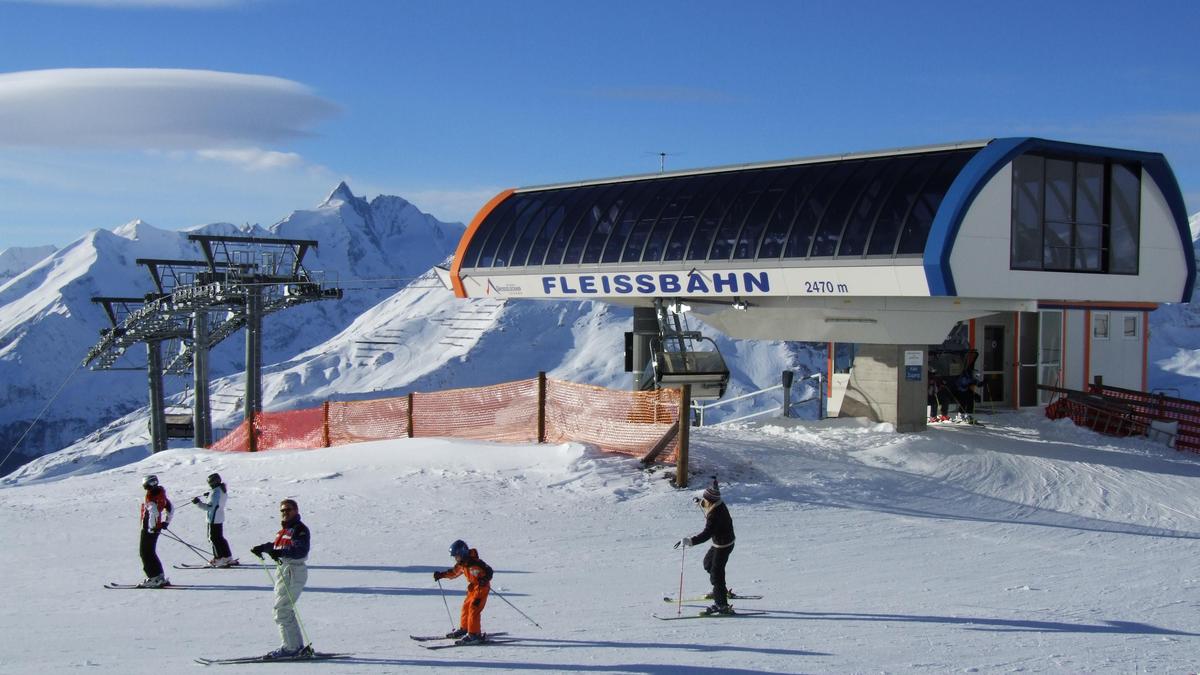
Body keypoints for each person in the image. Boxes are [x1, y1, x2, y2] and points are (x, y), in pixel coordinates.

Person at [250, 499, 312, 659]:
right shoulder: (284, 530)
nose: (285, 513)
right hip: (284, 570)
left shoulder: (300, 529)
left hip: (293, 569)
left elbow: (299, 550)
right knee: (284, 609)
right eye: (282, 510)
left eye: (288, 510)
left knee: (282, 610)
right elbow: (278, 546)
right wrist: (264, 548)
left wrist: (282, 552)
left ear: (296, 511)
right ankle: (295, 646)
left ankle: (291, 648)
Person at [674, 477, 736, 615]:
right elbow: (709, 500)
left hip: (723, 545)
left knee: (716, 574)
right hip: (719, 543)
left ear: (710, 501)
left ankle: (722, 605)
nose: (704, 502)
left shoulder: (715, 515)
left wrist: (690, 541)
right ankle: (720, 590)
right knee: (708, 564)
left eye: (705, 500)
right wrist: (700, 502)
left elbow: (707, 534)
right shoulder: (717, 503)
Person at [433, 539, 494, 644]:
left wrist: (485, 579)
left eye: (457, 556)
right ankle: (465, 628)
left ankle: (474, 634)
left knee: (473, 608)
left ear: (462, 553)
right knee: (466, 607)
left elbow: (489, 571)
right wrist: (441, 575)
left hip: (481, 588)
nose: (456, 559)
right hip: (472, 588)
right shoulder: (462, 565)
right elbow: (453, 573)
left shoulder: (475, 563)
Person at [192, 472, 235, 567]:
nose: (210, 485)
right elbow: (217, 502)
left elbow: (210, 507)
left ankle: (218, 559)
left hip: (213, 518)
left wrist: (198, 503)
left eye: (210, 483)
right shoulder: (222, 490)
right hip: (219, 517)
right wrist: (209, 495)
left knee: (213, 538)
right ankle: (227, 557)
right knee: (219, 538)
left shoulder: (216, 492)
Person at [138, 474, 173, 588]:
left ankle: (153, 578)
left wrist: (152, 527)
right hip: (155, 528)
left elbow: (153, 512)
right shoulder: (160, 493)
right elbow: (170, 507)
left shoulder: (150, 496)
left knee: (145, 553)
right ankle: (159, 576)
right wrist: (166, 522)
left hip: (149, 529)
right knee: (151, 552)